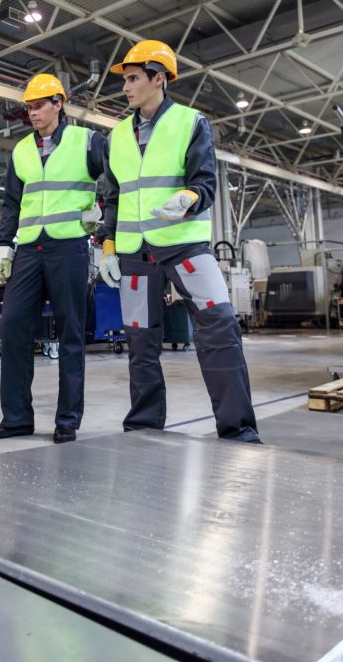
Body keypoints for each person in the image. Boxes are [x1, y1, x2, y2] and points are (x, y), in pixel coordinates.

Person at [97, 39, 261, 443]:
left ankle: (237, 428)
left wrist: (186, 199)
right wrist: (107, 246)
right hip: (134, 253)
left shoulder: (191, 122)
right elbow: (112, 197)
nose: (126, 87)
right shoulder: (116, 136)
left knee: (220, 328)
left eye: (133, 78)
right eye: (126, 80)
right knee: (140, 339)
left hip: (185, 245)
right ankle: (143, 425)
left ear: (159, 79)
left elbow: (205, 182)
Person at [0, 73, 104, 444]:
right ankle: (17, 417)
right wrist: (4, 247)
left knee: (70, 333)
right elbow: (11, 203)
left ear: (59, 103)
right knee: (14, 325)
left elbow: (115, 183)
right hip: (29, 249)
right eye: (29, 107)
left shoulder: (88, 142)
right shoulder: (21, 151)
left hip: (68, 247)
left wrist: (99, 217)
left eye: (38, 106)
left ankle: (67, 420)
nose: (32, 113)